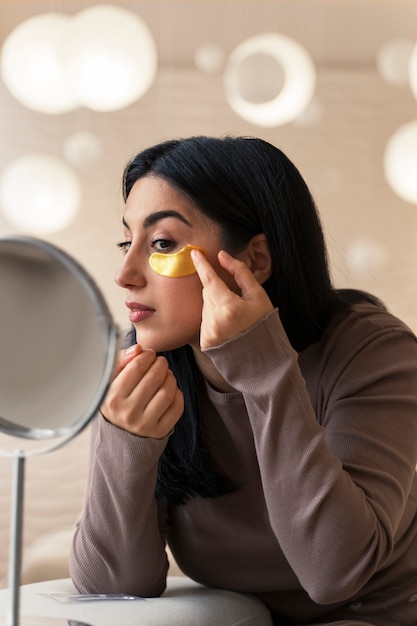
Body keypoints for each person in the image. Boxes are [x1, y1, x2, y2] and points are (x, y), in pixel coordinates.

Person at [70, 135, 417, 625]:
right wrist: (123, 442)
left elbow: (334, 572)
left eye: (162, 243)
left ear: (254, 260)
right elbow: (111, 592)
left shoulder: (373, 352)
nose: (124, 273)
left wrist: (264, 372)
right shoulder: (149, 373)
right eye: (128, 241)